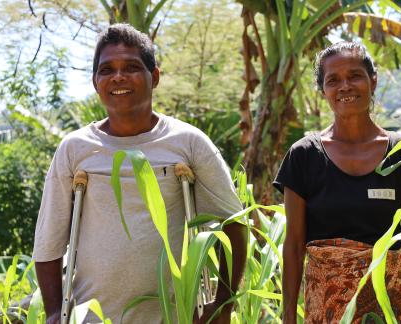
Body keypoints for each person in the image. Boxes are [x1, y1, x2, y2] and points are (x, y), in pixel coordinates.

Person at [33, 23, 246, 324]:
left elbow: (233, 223)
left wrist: (224, 305)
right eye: (107, 70)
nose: (118, 76)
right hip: (92, 318)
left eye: (131, 67)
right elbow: (48, 240)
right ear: (95, 82)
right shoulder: (74, 149)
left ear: (154, 77)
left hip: (175, 316)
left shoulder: (188, 143)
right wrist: (55, 312)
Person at [274, 42, 401, 323]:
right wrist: (288, 318)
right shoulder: (304, 156)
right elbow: (294, 245)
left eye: (355, 76)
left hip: (391, 307)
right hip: (328, 310)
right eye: (333, 80)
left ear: (373, 80)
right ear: (323, 91)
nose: (345, 86)